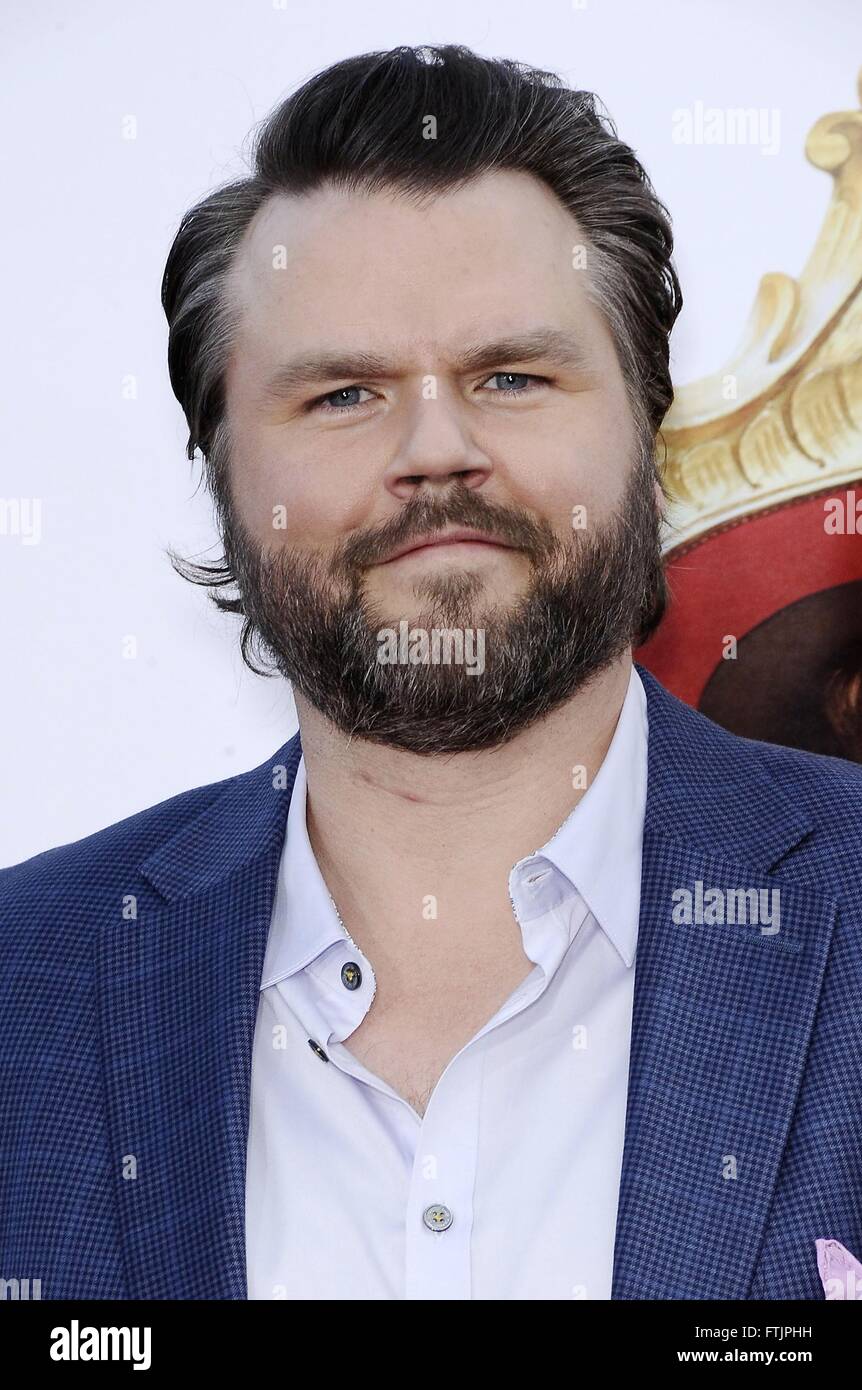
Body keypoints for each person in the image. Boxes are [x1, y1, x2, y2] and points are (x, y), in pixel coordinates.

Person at [2, 44, 860, 1302]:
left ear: (646, 439)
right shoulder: (24, 984)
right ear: (226, 479)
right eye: (343, 394)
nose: (436, 451)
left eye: (510, 377)